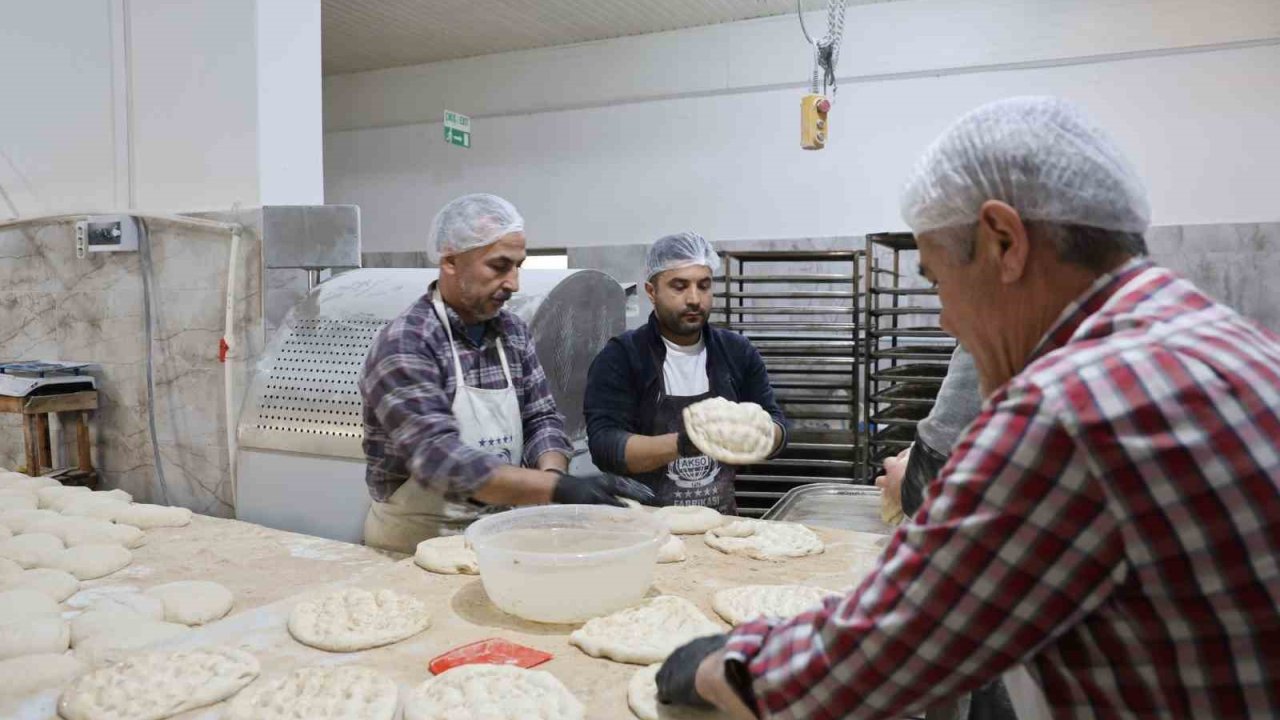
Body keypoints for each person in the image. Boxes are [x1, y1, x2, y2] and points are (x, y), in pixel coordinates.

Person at [655, 96, 1280, 719]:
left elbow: (880, 657)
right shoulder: (1239, 344)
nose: (947, 315)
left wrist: (719, 663)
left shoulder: (1064, 411)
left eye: (936, 279)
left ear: (1004, 240)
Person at [359, 194, 653, 552]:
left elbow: (541, 418)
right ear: (450, 261)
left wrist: (552, 475)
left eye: (518, 266)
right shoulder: (408, 342)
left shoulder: (512, 332)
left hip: (501, 535)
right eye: (499, 266)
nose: (514, 283)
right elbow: (438, 457)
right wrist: (556, 489)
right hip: (416, 545)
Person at [583, 232, 788, 513]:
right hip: (644, 524)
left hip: (720, 521)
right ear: (651, 291)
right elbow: (606, 446)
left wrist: (756, 431)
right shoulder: (623, 356)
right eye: (679, 287)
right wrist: (686, 443)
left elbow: (777, 427)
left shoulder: (737, 352)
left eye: (703, 286)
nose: (694, 299)